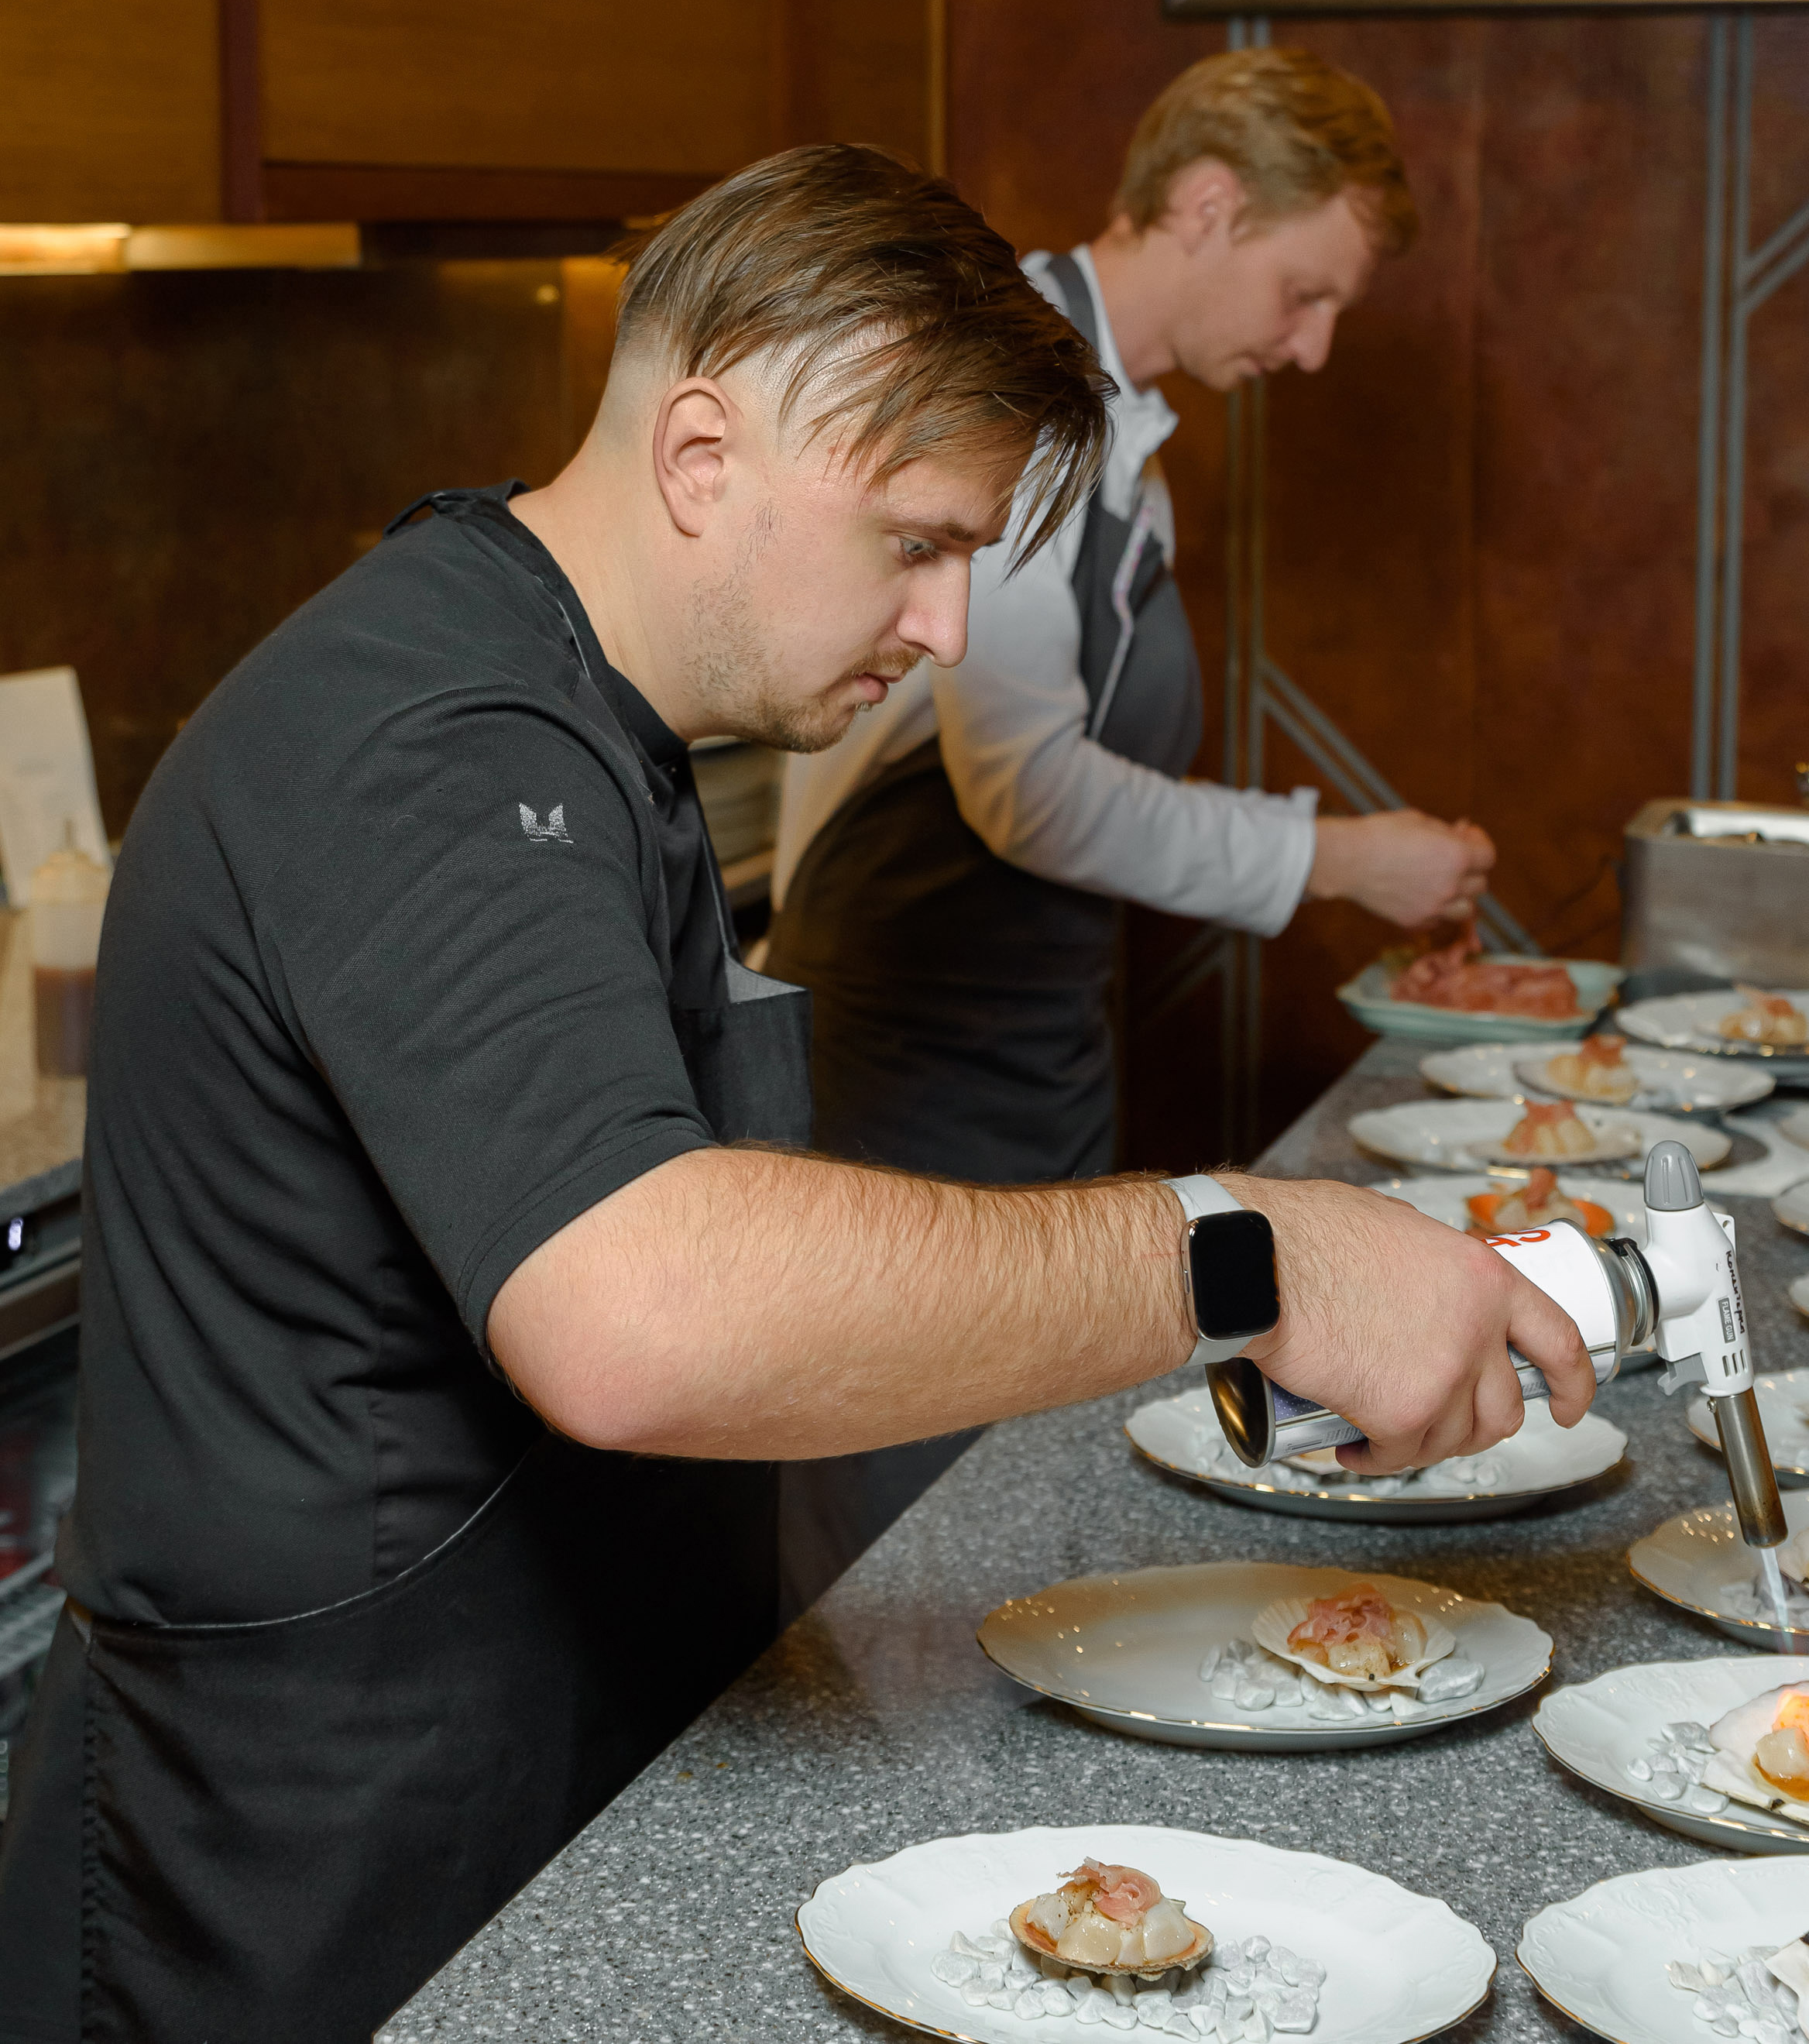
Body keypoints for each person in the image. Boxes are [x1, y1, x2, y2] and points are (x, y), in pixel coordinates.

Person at [0, 146, 1590, 2044]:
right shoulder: (427, 738)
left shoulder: (597, 710)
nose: (943, 629)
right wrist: (1246, 1254)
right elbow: (642, 1313)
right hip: (306, 1859)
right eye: (914, 542)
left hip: (534, 1765)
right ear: (700, 457)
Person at [763, 51, 1498, 1594]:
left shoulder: (1115, 429)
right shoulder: (1016, 395)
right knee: (906, 1540)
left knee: (1009, 1504)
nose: (1311, 348)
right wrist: (1336, 857)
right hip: (910, 1054)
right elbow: (1023, 789)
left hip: (1026, 1043)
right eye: (1305, 292)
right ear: (1210, 205)